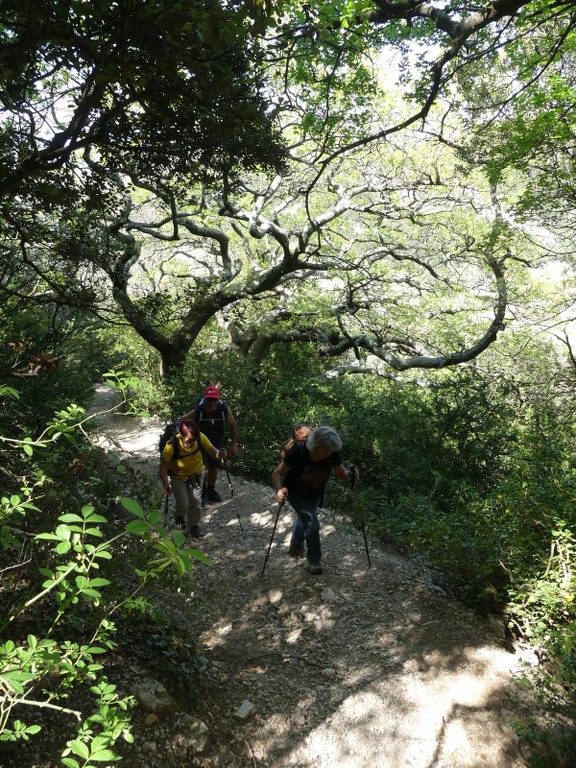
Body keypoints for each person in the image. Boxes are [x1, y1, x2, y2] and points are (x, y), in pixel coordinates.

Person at [271, 425, 355, 575]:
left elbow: (341, 473)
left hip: (315, 493)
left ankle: (296, 547)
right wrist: (278, 490)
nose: (330, 453)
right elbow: (277, 473)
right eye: (327, 451)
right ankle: (314, 562)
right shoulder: (299, 452)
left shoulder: (332, 453)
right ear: (318, 446)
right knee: (312, 522)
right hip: (295, 492)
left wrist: (350, 475)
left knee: (305, 518)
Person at [159, 418, 226, 538]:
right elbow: (163, 466)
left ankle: (194, 525)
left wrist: (220, 454)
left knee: (196, 502)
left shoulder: (200, 437)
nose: (192, 443)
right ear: (181, 436)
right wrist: (165, 483)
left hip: (196, 474)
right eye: (189, 440)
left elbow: (212, 452)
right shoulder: (171, 445)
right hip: (178, 477)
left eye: (194, 440)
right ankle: (179, 515)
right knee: (183, 504)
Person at [183, 385, 238, 502]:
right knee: (201, 469)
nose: (212, 402)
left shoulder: (224, 409)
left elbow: (233, 426)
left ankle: (211, 490)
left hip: (217, 442)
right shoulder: (199, 410)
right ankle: (201, 492)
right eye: (209, 399)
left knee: (214, 468)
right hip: (200, 443)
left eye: (214, 399)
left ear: (218, 399)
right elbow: (183, 421)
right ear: (205, 398)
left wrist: (234, 445)